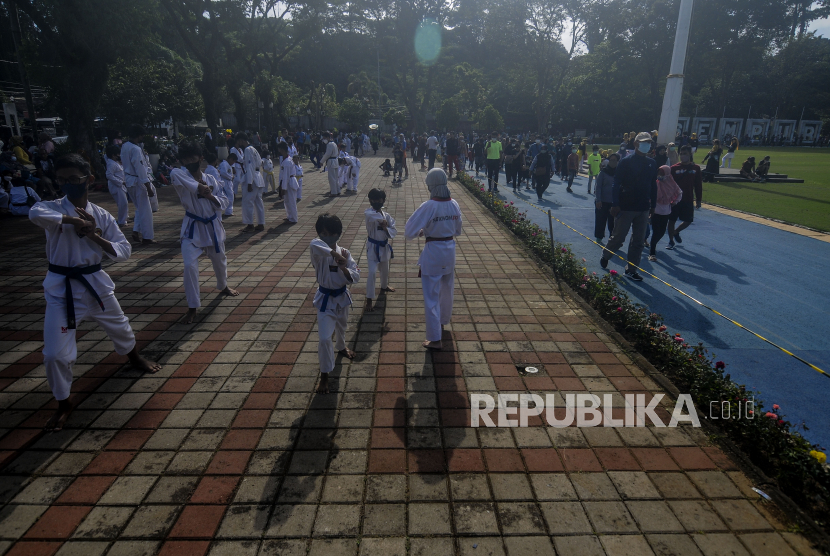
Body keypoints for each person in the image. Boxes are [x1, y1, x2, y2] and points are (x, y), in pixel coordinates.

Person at [30, 154, 161, 431]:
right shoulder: (52, 208)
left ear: (89, 180)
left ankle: (134, 357)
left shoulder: (102, 214)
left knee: (121, 327)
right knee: (55, 355)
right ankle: (64, 401)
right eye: (62, 180)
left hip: (95, 285)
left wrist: (93, 235)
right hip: (61, 290)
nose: (67, 185)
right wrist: (72, 221)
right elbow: (34, 213)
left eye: (74, 179)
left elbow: (124, 251)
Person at [170, 142, 239, 324]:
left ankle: (223, 286)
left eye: (192, 159)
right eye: (185, 160)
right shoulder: (179, 175)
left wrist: (209, 195)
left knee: (220, 260)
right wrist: (198, 188)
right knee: (189, 266)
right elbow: (176, 174)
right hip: (192, 228)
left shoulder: (212, 178)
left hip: (212, 225)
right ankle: (192, 306)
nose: (188, 162)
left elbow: (223, 202)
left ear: (200, 159)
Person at [404, 169, 463, 350]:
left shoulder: (429, 205)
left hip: (433, 253)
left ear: (431, 184)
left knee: (431, 296)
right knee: (447, 291)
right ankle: (443, 323)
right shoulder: (454, 204)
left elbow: (409, 232)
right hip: (449, 250)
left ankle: (435, 338)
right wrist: (433, 229)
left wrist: (426, 230)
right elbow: (458, 230)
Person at [310, 213, 359, 394]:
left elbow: (355, 277)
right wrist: (332, 253)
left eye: (331, 234)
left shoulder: (345, 253)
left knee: (342, 326)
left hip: (342, 297)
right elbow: (314, 243)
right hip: (325, 300)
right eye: (323, 233)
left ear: (338, 234)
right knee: (324, 338)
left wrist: (343, 265)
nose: (327, 237)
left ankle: (341, 346)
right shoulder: (318, 252)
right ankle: (324, 375)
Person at [599, 132, 658, 281]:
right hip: (626, 207)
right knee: (619, 237)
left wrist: (653, 204)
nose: (647, 146)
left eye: (649, 143)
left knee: (638, 242)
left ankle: (631, 269)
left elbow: (653, 185)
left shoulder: (652, 163)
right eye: (644, 142)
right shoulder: (626, 162)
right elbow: (616, 183)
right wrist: (615, 203)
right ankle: (606, 254)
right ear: (636, 144)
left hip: (643, 207)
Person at [364, 188, 397, 313]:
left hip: (384, 246)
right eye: (373, 200)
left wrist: (386, 228)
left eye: (378, 199)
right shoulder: (369, 213)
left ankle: (384, 286)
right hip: (373, 247)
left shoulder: (386, 215)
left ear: (383, 200)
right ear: (370, 200)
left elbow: (393, 230)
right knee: (372, 272)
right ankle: (369, 299)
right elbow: (373, 216)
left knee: (385, 268)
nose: (375, 202)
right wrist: (384, 223)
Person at [121, 125, 155, 244]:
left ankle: (136, 231)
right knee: (145, 211)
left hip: (129, 180)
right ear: (139, 135)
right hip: (138, 181)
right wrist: (147, 186)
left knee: (140, 209)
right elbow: (139, 168)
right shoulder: (135, 149)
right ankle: (147, 237)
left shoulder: (124, 146)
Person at [667, 145, 703, 249]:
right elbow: (669, 185)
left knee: (688, 220)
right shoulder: (674, 168)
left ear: (690, 155)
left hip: (688, 198)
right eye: (681, 154)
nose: (683, 156)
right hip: (674, 200)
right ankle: (671, 241)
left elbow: (698, 185)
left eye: (685, 154)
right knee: (671, 220)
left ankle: (676, 231)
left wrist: (699, 200)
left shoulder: (695, 168)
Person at [648, 165, 683, 262]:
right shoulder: (656, 184)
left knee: (662, 232)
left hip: (666, 211)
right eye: (658, 173)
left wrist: (675, 202)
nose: (659, 175)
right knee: (656, 231)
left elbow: (680, 193)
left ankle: (653, 244)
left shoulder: (672, 184)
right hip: (655, 211)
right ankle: (652, 253)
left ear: (667, 174)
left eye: (662, 174)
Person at [237, 132, 266, 232]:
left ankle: (250, 225)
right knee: (258, 202)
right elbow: (260, 162)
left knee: (247, 202)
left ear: (242, 140)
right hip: (257, 176)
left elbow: (249, 167)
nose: (239, 143)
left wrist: (249, 182)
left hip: (252, 178)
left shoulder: (247, 150)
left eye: (239, 141)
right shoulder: (253, 149)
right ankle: (261, 223)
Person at [594, 155, 618, 244]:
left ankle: (612, 239)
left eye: (615, 160)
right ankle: (599, 236)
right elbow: (598, 187)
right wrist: (598, 199)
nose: (613, 162)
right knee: (601, 220)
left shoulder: (619, 173)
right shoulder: (603, 172)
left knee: (613, 223)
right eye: (611, 160)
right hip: (602, 201)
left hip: (614, 202)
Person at [105, 145, 129, 226]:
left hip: (120, 186)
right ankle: (122, 221)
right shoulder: (111, 164)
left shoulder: (115, 162)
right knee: (123, 203)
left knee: (123, 203)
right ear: (113, 155)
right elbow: (109, 175)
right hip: (116, 186)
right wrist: (120, 182)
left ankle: (124, 217)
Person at [277, 142, 299, 223]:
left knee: (291, 201)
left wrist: (283, 188)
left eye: (279, 149)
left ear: (282, 150)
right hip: (287, 181)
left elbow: (286, 176)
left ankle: (293, 218)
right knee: (287, 201)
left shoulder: (287, 161)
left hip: (289, 182)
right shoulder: (286, 159)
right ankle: (289, 216)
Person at [319, 131, 341, 196]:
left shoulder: (329, 144)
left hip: (331, 161)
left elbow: (327, 154)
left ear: (328, 137)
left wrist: (321, 161)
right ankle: (337, 190)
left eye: (324, 138)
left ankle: (334, 192)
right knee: (336, 177)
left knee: (332, 178)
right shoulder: (334, 143)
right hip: (335, 161)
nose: (323, 139)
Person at [219, 153, 236, 217]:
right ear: (231, 159)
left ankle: (229, 210)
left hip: (227, 182)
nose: (233, 163)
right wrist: (231, 177)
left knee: (229, 196)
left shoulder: (226, 164)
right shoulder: (224, 164)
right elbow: (223, 173)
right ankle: (228, 211)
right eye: (233, 161)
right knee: (230, 197)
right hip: (225, 182)